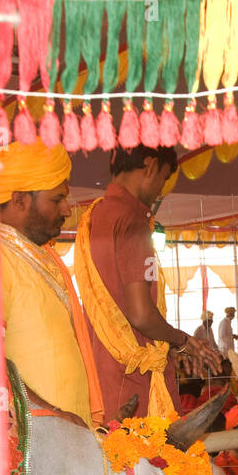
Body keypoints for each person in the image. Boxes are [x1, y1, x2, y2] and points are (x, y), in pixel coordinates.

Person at [74, 145, 220, 420]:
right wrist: (182, 341)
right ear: (150, 167)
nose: (160, 192)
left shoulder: (95, 215)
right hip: (134, 381)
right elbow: (141, 315)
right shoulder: (132, 220)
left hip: (101, 374)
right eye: (163, 180)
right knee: (150, 460)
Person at [0, 140, 100, 425]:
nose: (67, 209)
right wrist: (51, 414)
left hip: (67, 436)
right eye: (57, 199)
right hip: (34, 440)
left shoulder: (42, 253)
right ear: (19, 200)